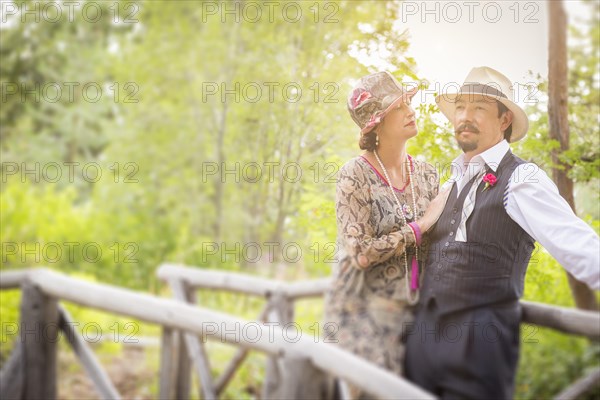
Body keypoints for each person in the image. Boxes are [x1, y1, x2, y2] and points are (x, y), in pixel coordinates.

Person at [404, 66, 600, 400]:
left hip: (479, 346)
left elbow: (579, 245)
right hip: (422, 339)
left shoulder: (523, 179)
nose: (465, 116)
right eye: (461, 107)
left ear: (505, 120)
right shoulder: (450, 182)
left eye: (479, 108)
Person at [322, 71, 449, 399]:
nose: (410, 110)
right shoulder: (354, 175)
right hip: (360, 313)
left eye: (408, 102)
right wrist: (419, 227)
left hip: (414, 313)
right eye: (398, 106)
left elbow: (439, 246)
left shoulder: (426, 174)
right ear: (375, 124)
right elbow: (361, 253)